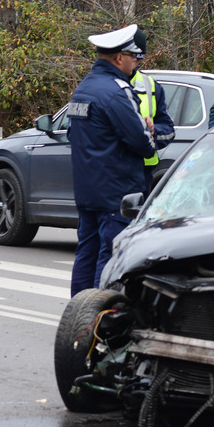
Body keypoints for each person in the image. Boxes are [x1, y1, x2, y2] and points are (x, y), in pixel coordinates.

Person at [68, 24, 156, 297]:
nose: (136, 64)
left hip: (87, 191)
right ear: (120, 58)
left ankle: (77, 314)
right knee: (109, 257)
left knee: (86, 252)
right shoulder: (117, 91)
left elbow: (74, 135)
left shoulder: (83, 88)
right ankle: (96, 319)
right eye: (134, 58)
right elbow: (141, 143)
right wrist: (149, 132)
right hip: (116, 193)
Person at [128, 28, 175, 188]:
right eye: (132, 56)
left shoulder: (152, 87)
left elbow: (169, 131)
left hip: (144, 171)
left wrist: (154, 131)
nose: (134, 62)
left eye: (138, 58)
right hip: (114, 169)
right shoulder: (105, 84)